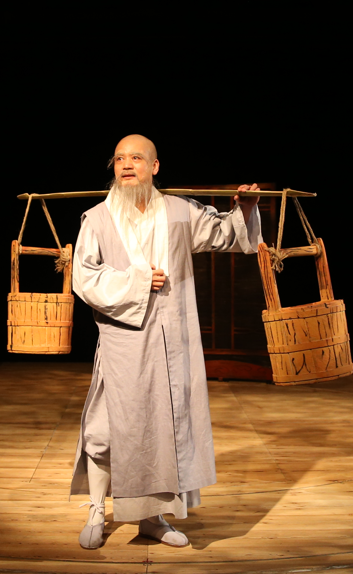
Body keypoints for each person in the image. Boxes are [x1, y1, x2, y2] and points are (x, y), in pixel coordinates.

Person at [70, 134, 262, 549]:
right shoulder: (97, 218)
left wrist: (244, 208)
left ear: (154, 166)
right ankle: (97, 509)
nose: (126, 165)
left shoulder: (179, 211)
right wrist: (138, 281)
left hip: (173, 340)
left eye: (136, 158)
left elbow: (225, 234)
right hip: (124, 341)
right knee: (106, 429)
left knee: (162, 429)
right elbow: (84, 278)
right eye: (119, 159)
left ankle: (152, 518)